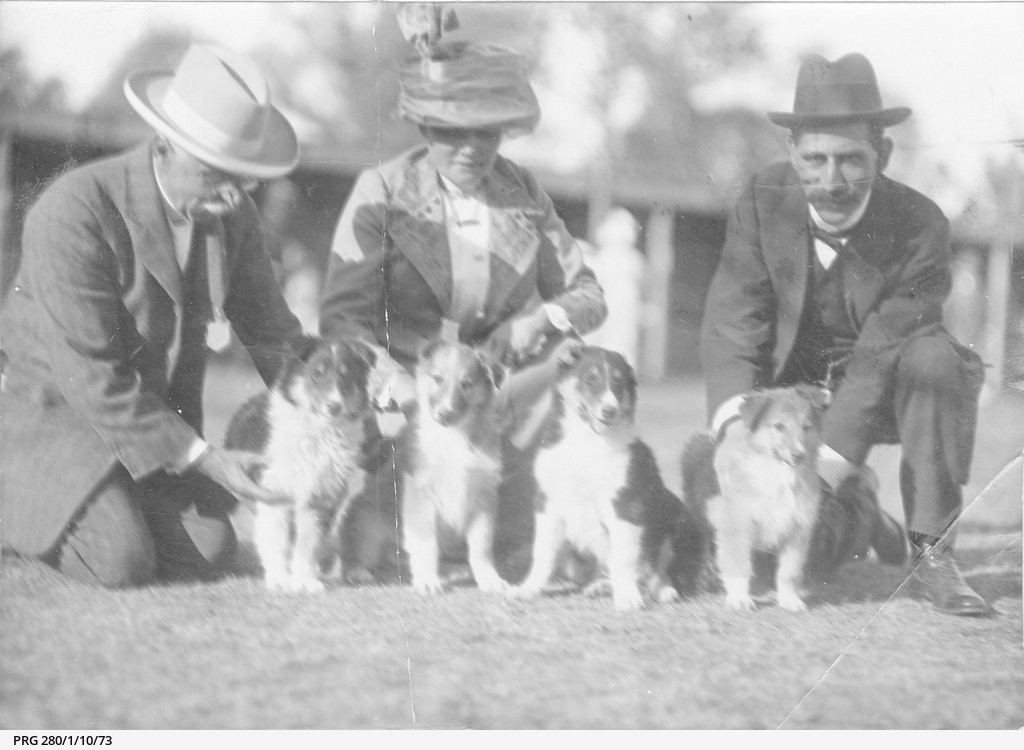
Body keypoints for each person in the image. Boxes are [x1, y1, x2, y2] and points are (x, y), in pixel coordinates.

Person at [0, 45, 309, 587]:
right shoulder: (73, 211)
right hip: (57, 421)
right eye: (219, 172)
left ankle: (105, 505)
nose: (236, 192)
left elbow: (272, 332)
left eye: (247, 176)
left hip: (146, 431)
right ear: (165, 145)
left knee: (210, 550)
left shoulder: (230, 211)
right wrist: (207, 458)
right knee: (124, 560)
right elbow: (94, 383)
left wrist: (349, 397)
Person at [700, 53, 993, 617]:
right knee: (752, 552)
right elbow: (735, 320)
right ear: (791, 151)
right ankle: (869, 517)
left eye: (851, 161)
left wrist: (827, 469)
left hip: (882, 390)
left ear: (882, 153)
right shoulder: (762, 200)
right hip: (787, 403)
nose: (830, 181)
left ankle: (932, 550)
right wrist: (736, 429)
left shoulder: (921, 224)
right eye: (814, 159)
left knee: (934, 361)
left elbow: (879, 357)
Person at [318, 24, 606, 584]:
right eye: (453, 132)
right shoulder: (382, 190)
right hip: (405, 397)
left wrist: (541, 319)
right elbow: (342, 319)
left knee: (569, 357)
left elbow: (589, 297)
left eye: (488, 132)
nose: (473, 148)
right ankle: (403, 542)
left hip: (499, 401)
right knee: (403, 501)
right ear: (426, 125)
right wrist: (393, 385)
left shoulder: (524, 194)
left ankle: (521, 537)